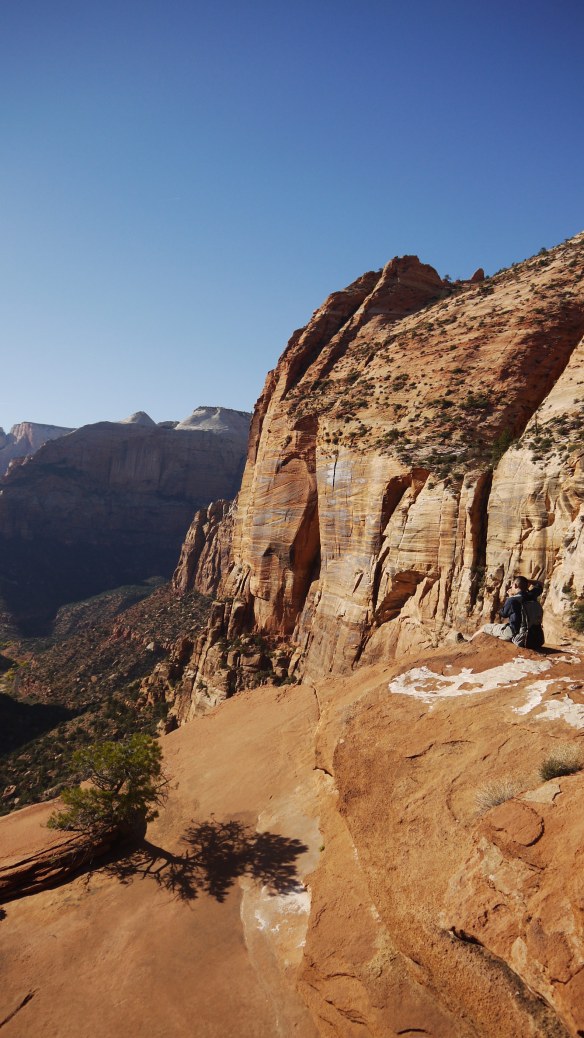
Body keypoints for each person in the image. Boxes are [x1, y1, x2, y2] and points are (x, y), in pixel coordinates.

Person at [482, 576, 544, 644]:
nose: (511, 587)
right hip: (536, 638)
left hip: (518, 637)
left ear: (515, 585)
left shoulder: (512, 599)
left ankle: (470, 642)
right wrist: (525, 581)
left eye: (512, 585)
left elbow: (503, 614)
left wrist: (510, 597)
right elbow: (540, 584)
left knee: (485, 627)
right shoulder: (532, 595)